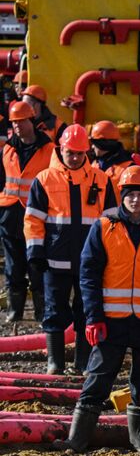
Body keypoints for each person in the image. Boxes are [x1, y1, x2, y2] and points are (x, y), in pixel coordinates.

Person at [67, 166, 140, 453]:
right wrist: (93, 317)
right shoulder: (104, 226)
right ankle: (76, 440)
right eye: (130, 194)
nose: (135, 199)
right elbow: (88, 274)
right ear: (122, 196)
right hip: (111, 320)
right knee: (98, 377)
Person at [25, 125, 115, 375]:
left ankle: (83, 362)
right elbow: (33, 219)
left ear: (87, 152)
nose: (74, 158)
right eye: (70, 152)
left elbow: (111, 223)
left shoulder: (102, 180)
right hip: (55, 260)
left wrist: (112, 256)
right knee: (54, 310)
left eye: (79, 153)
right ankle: (55, 363)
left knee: (87, 310)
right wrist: (35, 252)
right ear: (61, 150)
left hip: (90, 262)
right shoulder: (44, 180)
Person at [0, 99, 53, 323]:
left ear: (32, 120)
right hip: (10, 214)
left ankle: (41, 310)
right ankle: (16, 310)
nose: (18, 126)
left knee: (36, 265)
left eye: (21, 121)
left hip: (37, 215)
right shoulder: (8, 149)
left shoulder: (49, 149)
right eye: (14, 123)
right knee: (13, 266)